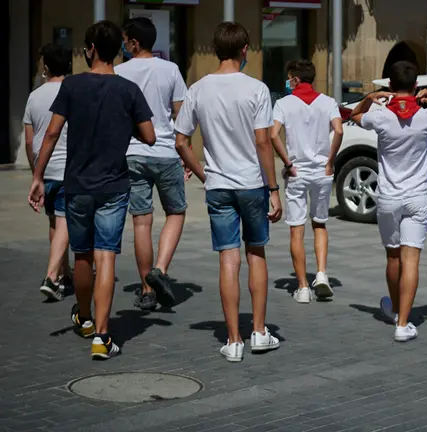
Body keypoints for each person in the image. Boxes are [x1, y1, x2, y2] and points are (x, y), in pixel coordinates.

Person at [28, 20, 156, 360]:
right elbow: (151, 136)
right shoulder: (128, 90)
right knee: (107, 254)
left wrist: (38, 176)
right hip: (114, 185)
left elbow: (52, 134)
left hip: (78, 184)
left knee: (82, 254)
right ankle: (102, 336)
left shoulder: (71, 86)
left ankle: (84, 316)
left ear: (92, 49)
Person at [175, 22, 282, 363]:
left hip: (218, 185)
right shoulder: (257, 89)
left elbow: (181, 141)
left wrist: (204, 172)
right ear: (244, 49)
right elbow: (264, 142)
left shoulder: (198, 89)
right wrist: (274, 188)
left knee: (227, 257)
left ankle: (233, 339)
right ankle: (260, 331)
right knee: (256, 254)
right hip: (251, 183)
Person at [349, 61, 427, 342]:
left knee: (393, 255)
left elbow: (354, 116)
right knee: (412, 258)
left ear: (391, 87)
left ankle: (395, 310)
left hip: (388, 197)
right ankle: (403, 323)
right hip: (418, 196)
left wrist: (369, 99)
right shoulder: (426, 116)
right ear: (416, 86)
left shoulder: (380, 116)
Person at [115, 17, 189, 311]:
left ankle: (147, 290)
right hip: (166, 152)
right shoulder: (170, 70)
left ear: (133, 42)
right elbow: (181, 116)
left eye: (125, 39)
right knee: (176, 211)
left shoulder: (119, 72)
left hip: (132, 153)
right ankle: (160, 268)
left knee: (141, 221)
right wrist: (186, 155)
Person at [270, 59, 343, 304]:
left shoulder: (283, 104)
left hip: (297, 172)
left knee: (296, 230)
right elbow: (339, 130)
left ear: (296, 79)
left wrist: (288, 163)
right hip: (322, 172)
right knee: (320, 224)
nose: (288, 82)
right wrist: (330, 160)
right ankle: (321, 273)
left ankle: (302, 287)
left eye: (290, 78)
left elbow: (273, 134)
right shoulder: (328, 102)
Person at [24, 43, 73, 301]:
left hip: (46, 171)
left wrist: (37, 174)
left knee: (55, 222)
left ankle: (65, 275)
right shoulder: (73, 92)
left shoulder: (35, 96)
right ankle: (53, 276)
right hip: (68, 169)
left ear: (46, 67)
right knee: (65, 221)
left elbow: (30, 141)